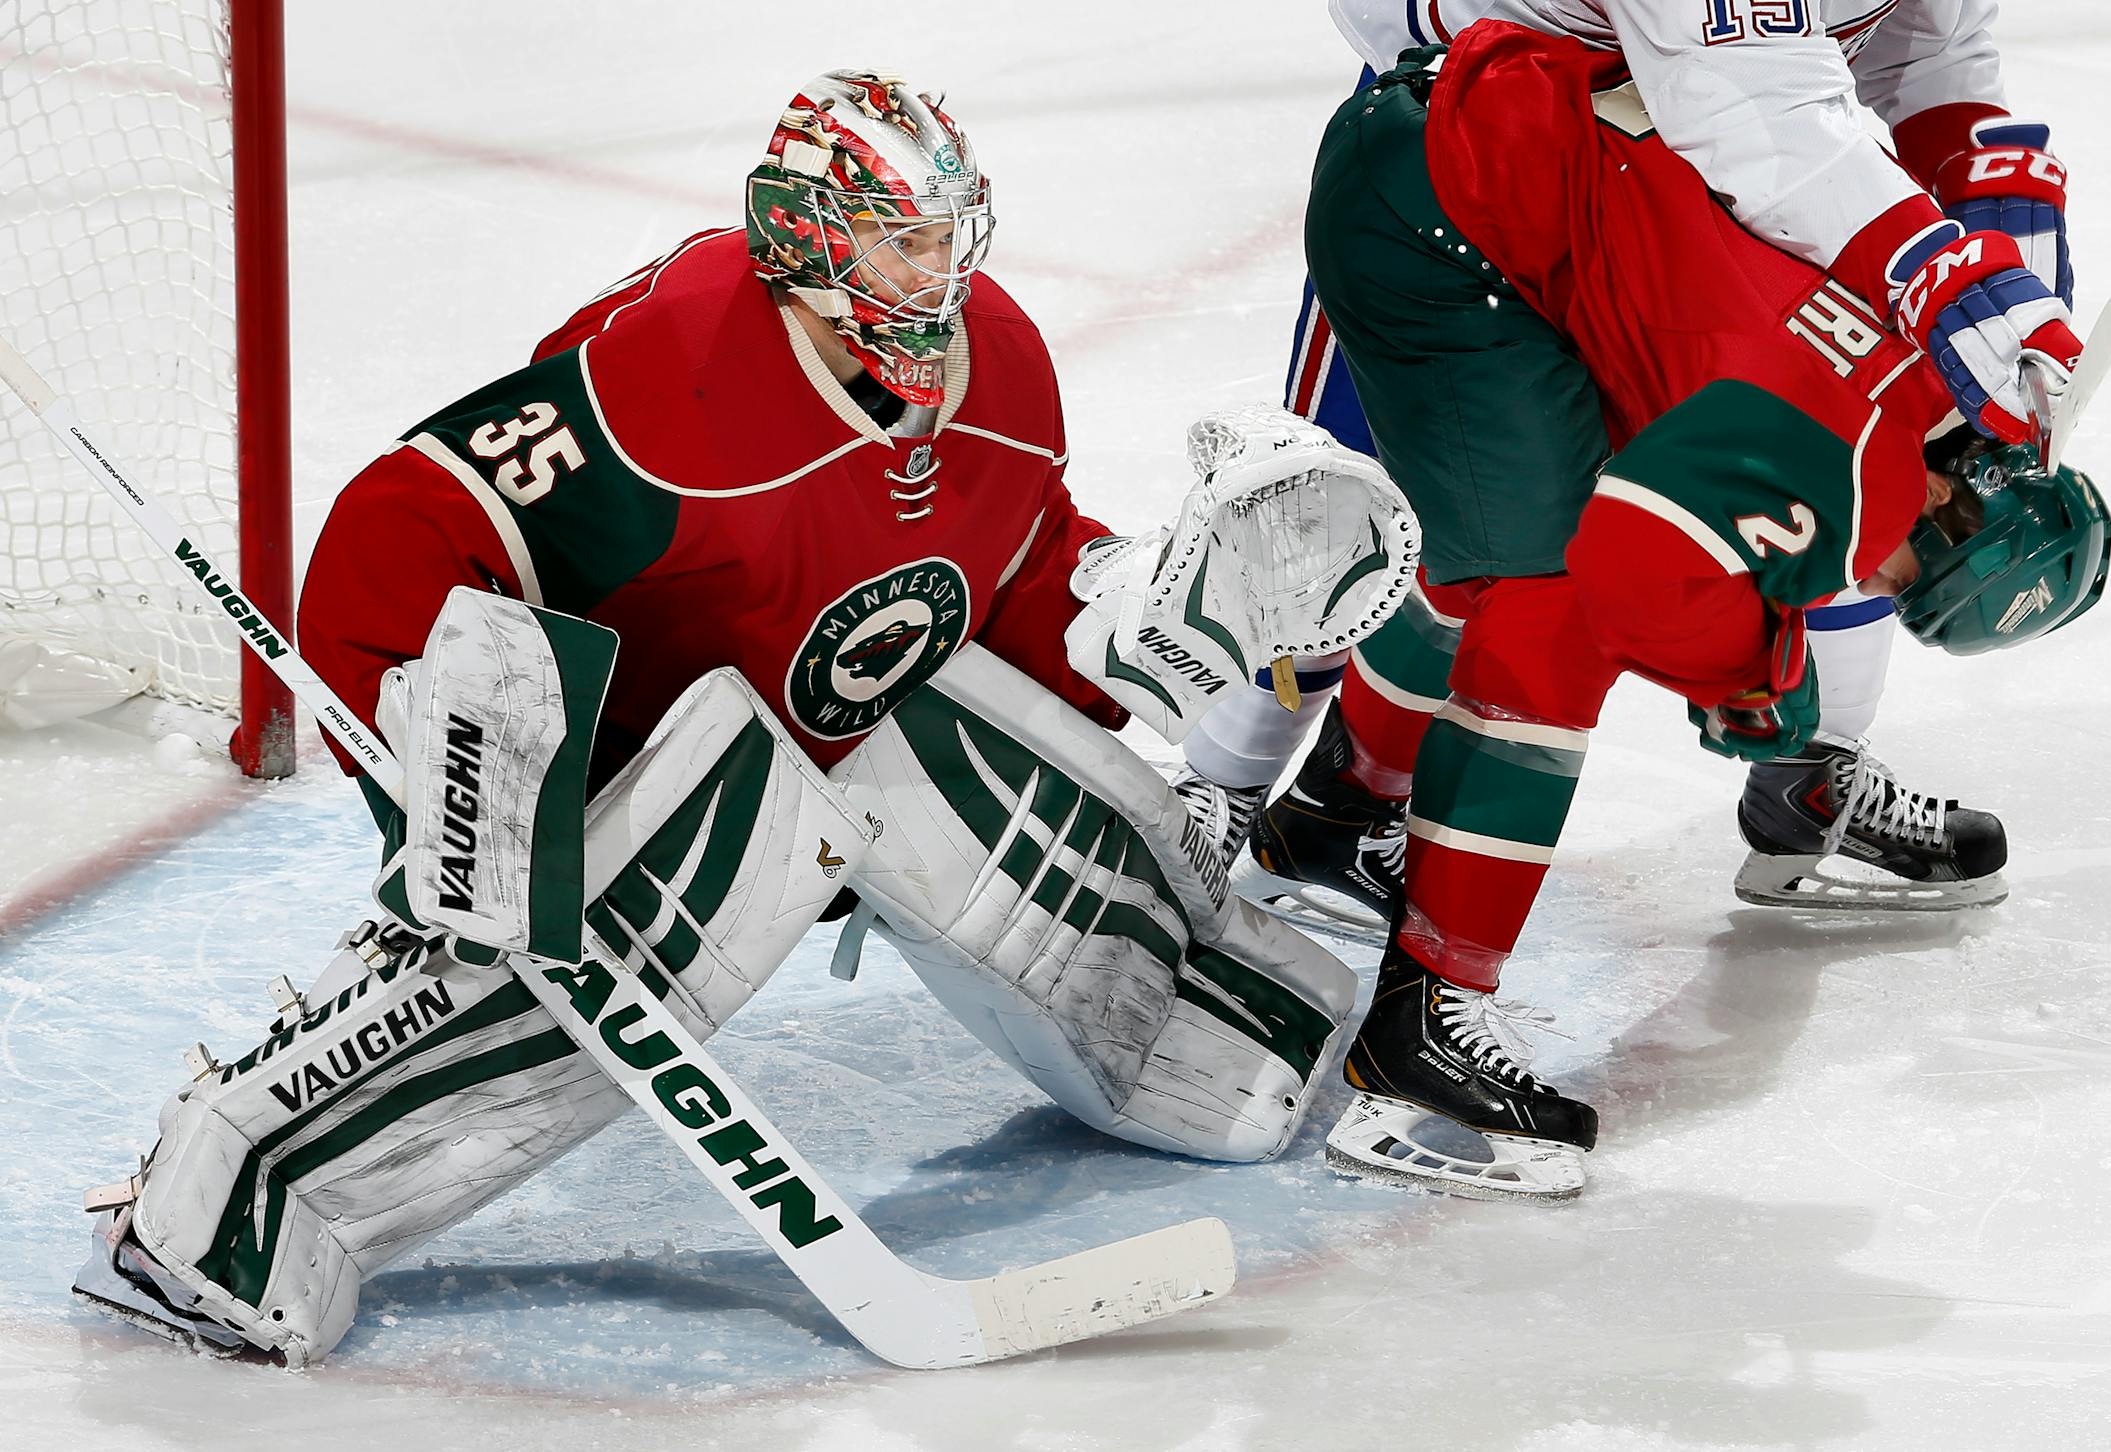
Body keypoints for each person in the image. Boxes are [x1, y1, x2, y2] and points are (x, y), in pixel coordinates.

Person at [68, 70, 1412, 1363]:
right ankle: (227, 1206)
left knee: (1230, 1067)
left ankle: (1207, 1021)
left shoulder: (998, 363)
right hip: (632, 769)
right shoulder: (675, 380)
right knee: (709, 834)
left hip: (849, 727)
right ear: (805, 244)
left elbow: (987, 589)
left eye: (949, 234)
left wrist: (1131, 614)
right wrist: (459, 772)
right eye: (898, 245)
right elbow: (396, 532)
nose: (936, 275)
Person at [1239, 6, 2110, 1200]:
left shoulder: (1900, 417)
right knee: (1541, 616)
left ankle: (1334, 813)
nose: (1871, 580)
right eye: (1908, 579)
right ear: (1950, 517)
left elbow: (1860, 119)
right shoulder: (1854, 457)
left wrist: (1964, 235)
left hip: (1468, 159)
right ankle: (1419, 1037)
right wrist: (1751, 680)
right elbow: (1633, 579)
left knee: (1480, 554)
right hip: (1449, 210)